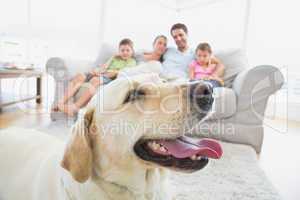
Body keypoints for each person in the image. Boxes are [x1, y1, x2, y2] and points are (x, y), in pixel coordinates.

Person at [55, 38, 137, 116]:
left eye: (127, 50)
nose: (125, 52)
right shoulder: (115, 58)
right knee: (80, 76)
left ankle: (75, 107)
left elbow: (118, 72)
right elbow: (104, 67)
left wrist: (102, 74)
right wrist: (108, 61)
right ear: (119, 51)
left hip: (108, 78)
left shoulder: (132, 62)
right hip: (101, 73)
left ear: (132, 51)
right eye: (122, 50)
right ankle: (60, 103)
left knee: (95, 80)